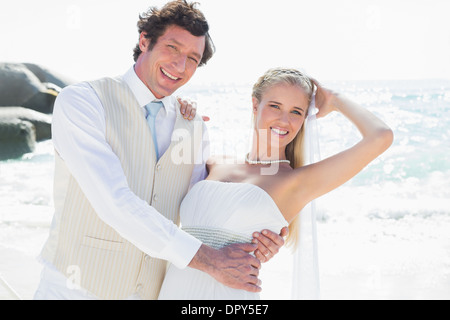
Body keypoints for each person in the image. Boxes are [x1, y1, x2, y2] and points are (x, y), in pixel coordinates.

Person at [34, 0, 286, 300]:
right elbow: (112, 201)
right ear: (144, 41)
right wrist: (211, 261)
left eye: (192, 58)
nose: (180, 66)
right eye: (173, 48)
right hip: (71, 289)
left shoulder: (193, 126)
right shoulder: (83, 102)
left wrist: (255, 238)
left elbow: (199, 212)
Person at [158, 67, 394, 299]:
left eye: (296, 112)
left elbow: (381, 136)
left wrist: (335, 100)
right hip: (172, 289)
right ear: (254, 105)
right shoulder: (214, 163)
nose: (284, 120)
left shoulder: (295, 183)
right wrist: (179, 110)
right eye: (275, 106)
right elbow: (157, 180)